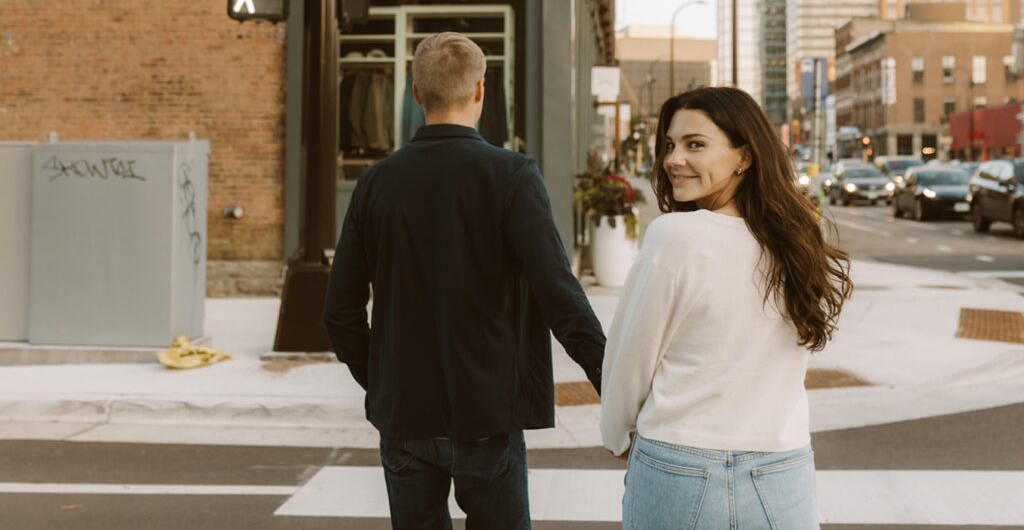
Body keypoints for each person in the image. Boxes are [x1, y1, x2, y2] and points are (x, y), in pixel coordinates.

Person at [324, 31, 606, 530]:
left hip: (405, 412)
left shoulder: (376, 182)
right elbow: (558, 292)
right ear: (480, 90)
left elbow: (340, 311)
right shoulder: (511, 175)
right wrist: (611, 381)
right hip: (489, 409)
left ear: (416, 93)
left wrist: (383, 380)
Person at [600, 86, 852, 529]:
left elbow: (630, 358)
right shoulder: (795, 242)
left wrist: (617, 432)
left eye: (695, 144)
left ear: (744, 156)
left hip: (680, 461)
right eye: (671, 145)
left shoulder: (674, 236)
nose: (673, 159)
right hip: (782, 467)